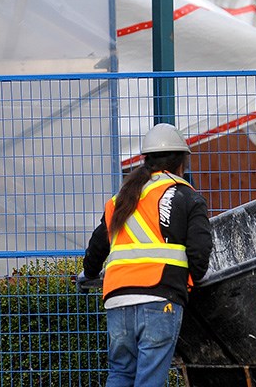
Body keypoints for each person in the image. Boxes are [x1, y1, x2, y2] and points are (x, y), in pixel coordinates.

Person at [79, 123, 213, 387]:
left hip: (118, 302)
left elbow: (97, 247)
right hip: (160, 299)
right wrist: (192, 281)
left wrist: (89, 274)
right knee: (149, 380)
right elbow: (200, 253)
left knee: (120, 373)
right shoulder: (187, 197)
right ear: (181, 162)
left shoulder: (121, 200)